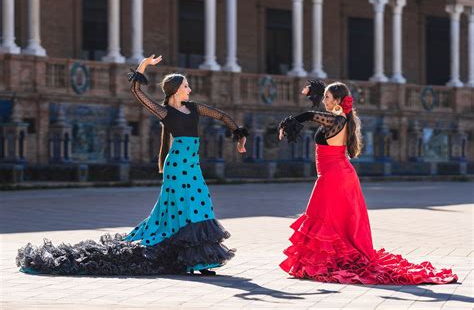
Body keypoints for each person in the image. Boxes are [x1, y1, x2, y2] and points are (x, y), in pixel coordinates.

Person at [16, 54, 248, 276]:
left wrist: (238, 135)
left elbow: (221, 116)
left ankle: (200, 258)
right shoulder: (164, 112)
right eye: (186, 86)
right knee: (182, 209)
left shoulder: (195, 108)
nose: (190, 89)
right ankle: (192, 260)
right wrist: (143, 65)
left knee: (201, 205)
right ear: (176, 89)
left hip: (193, 165)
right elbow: (137, 91)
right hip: (177, 167)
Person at [278, 80, 457, 284]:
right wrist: (317, 91)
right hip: (339, 175)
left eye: (327, 98)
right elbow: (320, 112)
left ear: (337, 101)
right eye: (324, 97)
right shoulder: (340, 118)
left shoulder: (338, 121)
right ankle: (325, 261)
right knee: (336, 221)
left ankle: (325, 262)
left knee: (324, 218)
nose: (323, 101)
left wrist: (288, 122)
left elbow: (311, 115)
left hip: (334, 177)